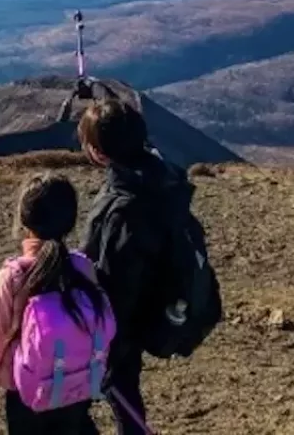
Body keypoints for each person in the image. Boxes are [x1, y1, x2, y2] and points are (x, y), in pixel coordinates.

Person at [79, 99, 212, 435]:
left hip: (123, 322)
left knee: (115, 386)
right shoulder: (158, 176)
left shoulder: (122, 210)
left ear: (98, 152)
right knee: (127, 385)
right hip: (150, 305)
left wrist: (106, 341)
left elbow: (116, 280)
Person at [0, 173, 115, 435]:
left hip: (24, 391)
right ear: (70, 221)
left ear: (24, 220)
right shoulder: (82, 266)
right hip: (75, 383)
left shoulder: (13, 276)